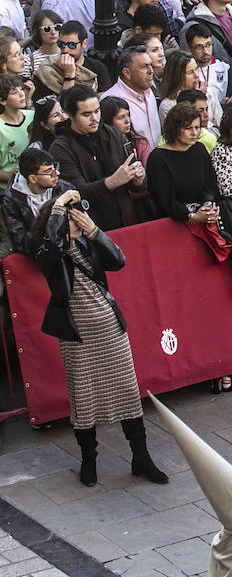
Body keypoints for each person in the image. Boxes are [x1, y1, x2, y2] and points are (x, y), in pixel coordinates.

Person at [33, 186, 167, 487]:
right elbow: (54, 246)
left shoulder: (88, 242)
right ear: (55, 223)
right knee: (83, 398)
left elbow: (118, 261)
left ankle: (141, 458)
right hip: (76, 333)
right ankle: (89, 460)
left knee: (127, 392)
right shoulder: (46, 253)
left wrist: (93, 230)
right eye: (72, 218)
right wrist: (60, 204)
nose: (78, 220)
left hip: (108, 326)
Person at [49, 85, 149, 231]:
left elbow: (135, 182)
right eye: (86, 114)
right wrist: (111, 182)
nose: (94, 118)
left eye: (97, 111)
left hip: (126, 221)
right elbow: (76, 192)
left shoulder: (113, 134)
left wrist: (138, 178)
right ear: (71, 115)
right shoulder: (60, 148)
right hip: (91, 228)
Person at [146, 102, 219, 225]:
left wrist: (208, 204)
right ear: (175, 128)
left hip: (203, 216)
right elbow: (165, 201)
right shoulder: (158, 158)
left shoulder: (199, 149)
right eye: (188, 128)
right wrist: (192, 216)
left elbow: (210, 183)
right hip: (171, 224)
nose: (194, 133)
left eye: (197, 127)